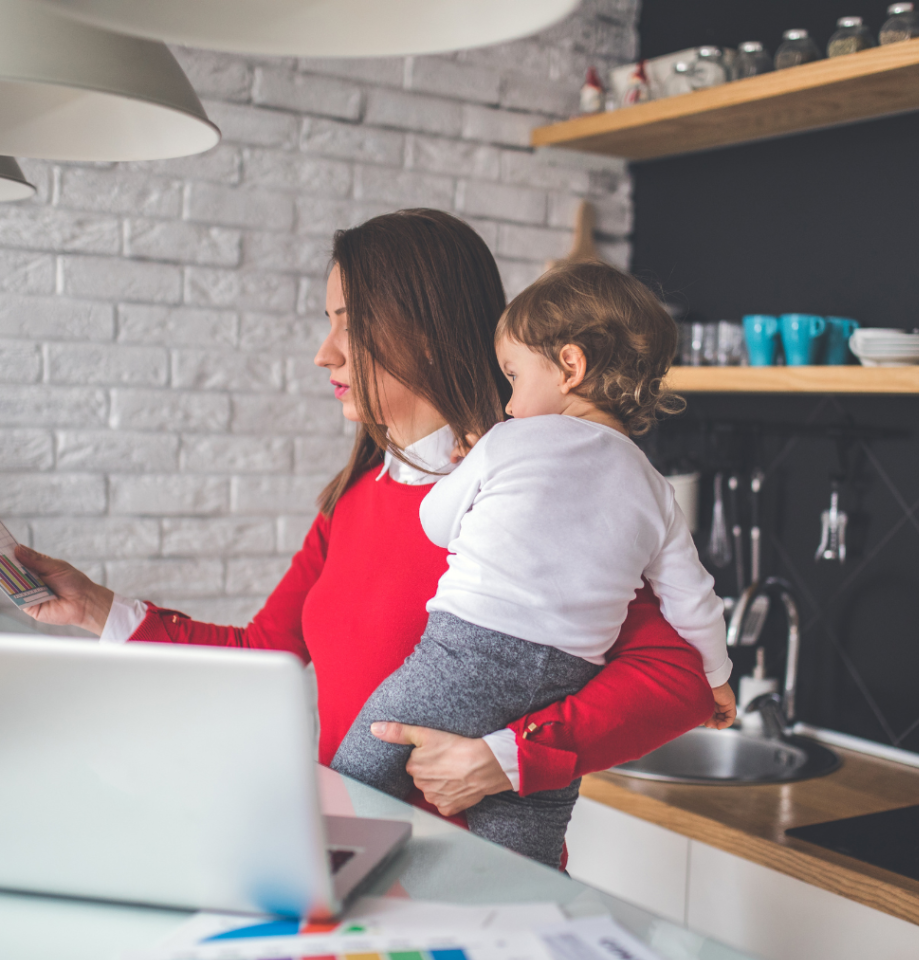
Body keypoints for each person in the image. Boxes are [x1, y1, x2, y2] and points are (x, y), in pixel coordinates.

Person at [16, 209, 729, 864]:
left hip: (468, 884)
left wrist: (511, 757)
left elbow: (680, 678)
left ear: (424, 328)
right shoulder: (353, 500)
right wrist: (93, 608)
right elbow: (266, 653)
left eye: (346, 323)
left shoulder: (539, 497)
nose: (324, 354)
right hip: (351, 868)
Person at [333, 260, 733, 868]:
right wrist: (717, 679)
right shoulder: (655, 489)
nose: (511, 400)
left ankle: (327, 878)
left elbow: (434, 523)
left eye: (515, 377)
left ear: (570, 366)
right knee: (527, 841)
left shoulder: (507, 439)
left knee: (358, 771)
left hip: (463, 658)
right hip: (565, 679)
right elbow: (693, 599)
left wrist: (473, 473)